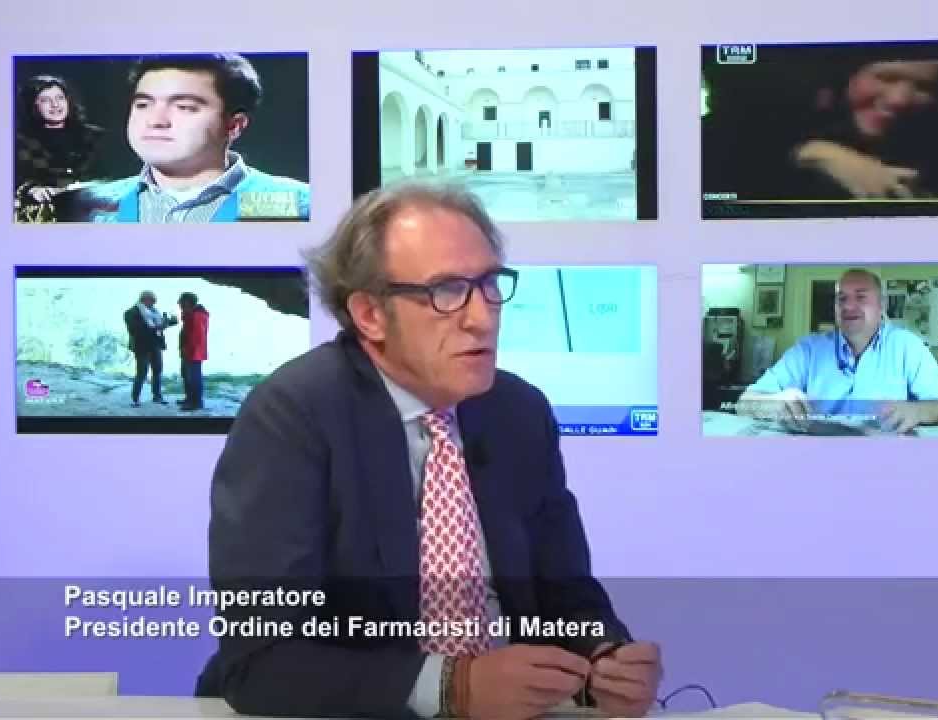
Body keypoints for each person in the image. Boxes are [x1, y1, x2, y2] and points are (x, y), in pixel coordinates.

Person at [195, 184, 662, 719]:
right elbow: (262, 659)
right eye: (447, 290)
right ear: (370, 314)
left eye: (489, 285)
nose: (482, 317)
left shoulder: (518, 412)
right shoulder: (293, 415)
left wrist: (604, 656)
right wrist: (452, 686)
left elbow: (565, 595)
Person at [702, 45, 938, 202]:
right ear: (849, 76)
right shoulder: (769, 119)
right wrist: (815, 153)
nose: (900, 99)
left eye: (923, 87)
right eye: (886, 77)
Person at [70, 53, 309, 222]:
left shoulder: (298, 203)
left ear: (234, 125)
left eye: (184, 107)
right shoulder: (87, 206)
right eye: (143, 105)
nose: (156, 121)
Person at [735, 269, 938, 434]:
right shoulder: (808, 350)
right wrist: (775, 403)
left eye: (861, 297)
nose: (848, 306)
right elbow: (745, 402)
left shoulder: (907, 346)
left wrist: (917, 412)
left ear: (881, 305)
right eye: (841, 299)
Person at [14, 74, 103, 222]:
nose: (55, 105)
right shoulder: (20, 142)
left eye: (60, 98)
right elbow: (18, 180)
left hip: (95, 209)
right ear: (32, 105)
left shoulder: (93, 136)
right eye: (45, 100)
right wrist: (32, 190)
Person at [122, 291, 174, 407]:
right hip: (142, 346)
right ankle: (135, 398)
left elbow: (159, 325)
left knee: (157, 371)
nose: (154, 303)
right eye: (152, 300)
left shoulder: (154, 312)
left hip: (155, 345)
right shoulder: (131, 312)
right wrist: (157, 327)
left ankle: (157, 396)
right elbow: (135, 329)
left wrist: (169, 322)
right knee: (142, 372)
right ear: (144, 299)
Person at [177, 292, 209, 411]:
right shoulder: (191, 315)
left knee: (194, 377)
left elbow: (197, 336)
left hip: (194, 352)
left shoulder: (197, 315)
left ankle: (196, 402)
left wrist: (188, 349)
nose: (180, 305)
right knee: (187, 375)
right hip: (189, 350)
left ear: (187, 303)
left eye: (181, 303)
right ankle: (189, 398)